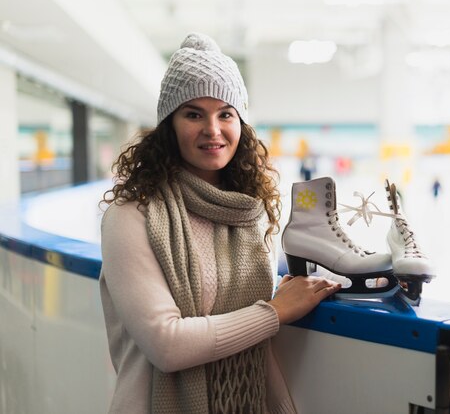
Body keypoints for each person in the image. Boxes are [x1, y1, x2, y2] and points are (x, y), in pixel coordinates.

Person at [99, 32, 341, 414]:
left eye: (225, 113)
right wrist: (276, 311)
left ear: (240, 124)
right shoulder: (131, 216)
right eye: (194, 113)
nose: (213, 129)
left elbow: (256, 349)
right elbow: (167, 344)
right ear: (169, 125)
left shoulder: (250, 214)